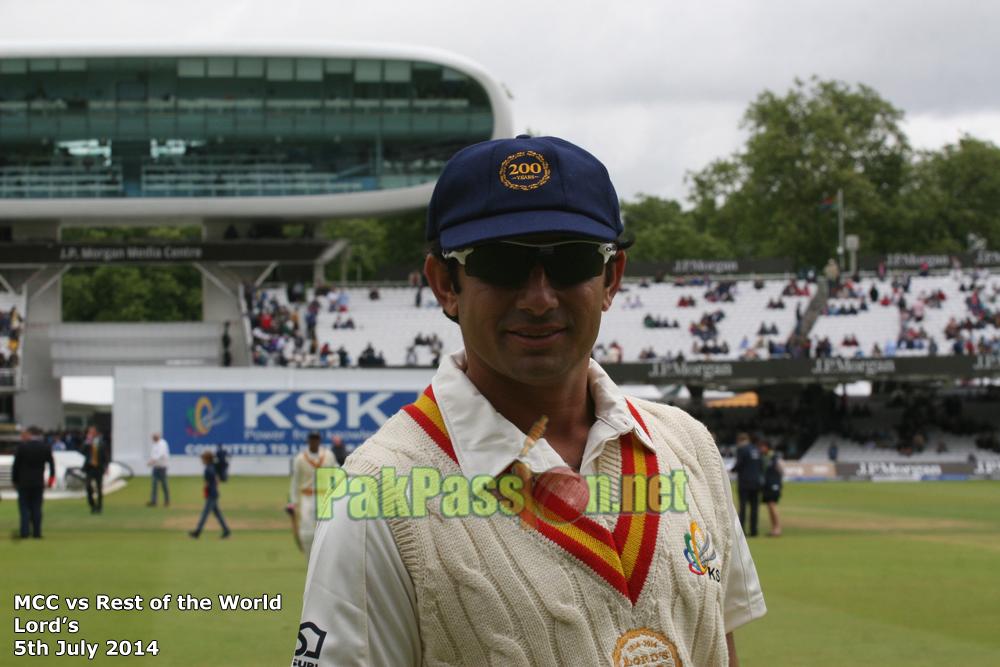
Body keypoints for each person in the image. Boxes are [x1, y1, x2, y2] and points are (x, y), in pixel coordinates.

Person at [297, 135, 765, 667]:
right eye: (500, 263)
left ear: (611, 277)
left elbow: (717, 649)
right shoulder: (376, 496)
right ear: (445, 284)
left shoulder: (689, 445)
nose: (540, 298)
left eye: (571, 261)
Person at [287, 431, 338, 558]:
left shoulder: (328, 456)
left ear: (320, 441)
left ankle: (326, 559)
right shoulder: (300, 459)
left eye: (316, 439)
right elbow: (295, 481)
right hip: (307, 497)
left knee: (327, 529)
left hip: (324, 496)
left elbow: (337, 475)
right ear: (308, 441)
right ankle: (310, 559)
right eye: (312, 439)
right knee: (307, 531)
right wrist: (293, 502)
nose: (314, 442)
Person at [12, 426, 55, 539]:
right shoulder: (45, 447)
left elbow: (16, 466)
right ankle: (37, 532)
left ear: (30, 434)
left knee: (24, 507)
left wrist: (15, 480)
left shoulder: (22, 447)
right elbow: (52, 464)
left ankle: (25, 532)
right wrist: (51, 480)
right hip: (38, 481)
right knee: (37, 506)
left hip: (24, 481)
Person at [189, 450, 230, 538]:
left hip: (211, 494)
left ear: (207, 460)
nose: (202, 461)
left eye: (203, 459)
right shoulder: (212, 468)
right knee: (218, 514)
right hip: (214, 493)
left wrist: (205, 490)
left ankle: (197, 532)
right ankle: (226, 531)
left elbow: (207, 483)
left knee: (205, 514)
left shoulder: (207, 469)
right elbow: (217, 480)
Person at [731, 432, 762, 537]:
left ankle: (742, 531)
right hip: (756, 482)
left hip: (745, 482)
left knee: (743, 507)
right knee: (754, 508)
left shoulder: (742, 449)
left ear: (740, 441)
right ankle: (754, 530)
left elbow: (739, 464)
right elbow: (761, 465)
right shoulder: (757, 449)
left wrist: (732, 469)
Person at [82, 425, 109, 514]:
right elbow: (82, 451)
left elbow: (105, 456)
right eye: (89, 432)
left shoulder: (101, 443)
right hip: (90, 468)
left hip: (99, 468)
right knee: (88, 486)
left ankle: (99, 507)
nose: (90, 434)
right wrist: (87, 442)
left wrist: (106, 467)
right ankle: (92, 505)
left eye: (92, 432)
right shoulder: (88, 443)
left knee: (99, 488)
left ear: (96, 433)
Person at [759, 440, 784, 537]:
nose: (761, 449)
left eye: (762, 447)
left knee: (772, 505)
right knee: (769, 506)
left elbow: (782, 470)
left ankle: (777, 528)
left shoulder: (774, 457)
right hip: (767, 485)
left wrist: (778, 482)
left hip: (774, 485)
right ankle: (774, 528)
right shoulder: (764, 458)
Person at [146, 432, 170, 507]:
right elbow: (154, 455)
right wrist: (153, 462)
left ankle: (167, 500)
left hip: (162, 467)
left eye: (154, 437)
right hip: (156, 467)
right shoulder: (155, 444)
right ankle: (153, 500)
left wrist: (152, 461)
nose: (153, 438)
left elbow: (160, 454)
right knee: (154, 484)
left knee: (164, 484)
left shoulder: (162, 444)